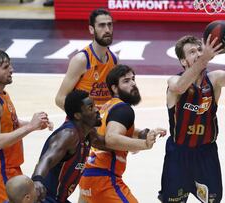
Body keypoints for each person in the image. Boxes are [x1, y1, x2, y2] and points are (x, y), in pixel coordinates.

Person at [158, 25, 225, 202]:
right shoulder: (175, 81)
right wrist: (204, 58)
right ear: (183, 61)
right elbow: (180, 87)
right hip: (179, 154)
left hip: (206, 154)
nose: (199, 53)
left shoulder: (214, 80)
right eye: (192, 52)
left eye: (200, 49)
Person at [79, 64, 167, 203]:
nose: (133, 83)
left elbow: (122, 132)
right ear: (114, 88)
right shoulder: (124, 109)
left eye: (133, 79)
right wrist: (144, 144)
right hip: (104, 179)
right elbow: (111, 139)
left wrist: (146, 133)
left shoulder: (108, 107)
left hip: (88, 176)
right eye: (126, 81)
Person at [0, 48, 53, 202]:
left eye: (10, 65)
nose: (12, 70)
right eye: (5, 67)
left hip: (9, 167)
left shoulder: (1, 94)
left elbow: (10, 124)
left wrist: (33, 124)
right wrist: (29, 127)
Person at [31, 90, 106, 202]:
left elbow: (108, 144)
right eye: (91, 107)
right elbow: (47, 159)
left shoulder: (89, 133)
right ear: (78, 115)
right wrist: (37, 180)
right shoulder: (68, 135)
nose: (97, 109)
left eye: (94, 105)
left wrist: (139, 139)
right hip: (45, 198)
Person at [55, 8, 118, 111]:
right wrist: (86, 118)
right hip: (84, 121)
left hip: (104, 120)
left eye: (109, 25)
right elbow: (60, 99)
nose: (107, 30)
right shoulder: (81, 60)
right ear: (91, 29)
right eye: (102, 25)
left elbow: (116, 96)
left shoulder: (115, 59)